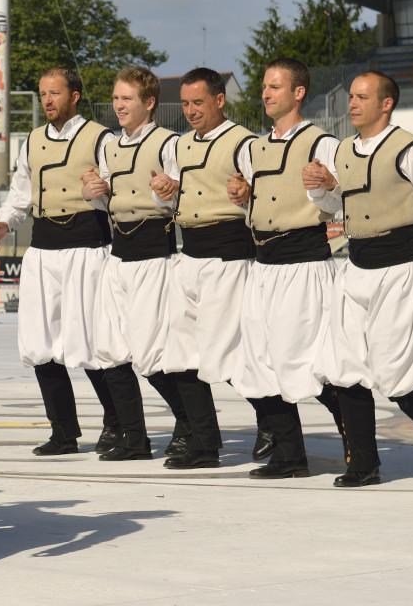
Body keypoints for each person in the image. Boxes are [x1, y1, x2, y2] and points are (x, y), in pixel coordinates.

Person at [306, 72, 413, 486]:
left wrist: (408, 238)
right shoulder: (342, 151)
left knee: (392, 369)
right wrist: (322, 189)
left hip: (400, 270)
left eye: (361, 97)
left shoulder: (410, 149)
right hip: (355, 269)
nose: (352, 103)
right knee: (345, 367)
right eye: (351, 96)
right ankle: (362, 465)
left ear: (385, 103)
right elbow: (340, 206)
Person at [0, 67, 119, 456]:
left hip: (88, 248)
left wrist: (103, 191)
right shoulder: (32, 141)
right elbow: (20, 194)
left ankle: (116, 423)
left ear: (74, 96)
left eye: (54, 93)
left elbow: (119, 190)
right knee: (39, 342)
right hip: (43, 250)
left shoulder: (101, 138)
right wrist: (4, 222)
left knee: (91, 343)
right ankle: (63, 431)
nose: (46, 100)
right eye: (43, 93)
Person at [227, 57, 346, 479]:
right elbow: (257, 206)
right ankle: (290, 456)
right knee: (259, 361)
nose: (265, 94)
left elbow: (342, 204)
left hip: (304, 264)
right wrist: (242, 198)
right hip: (263, 266)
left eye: (275, 87)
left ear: (298, 93)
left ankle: (359, 448)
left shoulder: (322, 143)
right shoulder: (252, 148)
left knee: (309, 363)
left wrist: (329, 186)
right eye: (264, 86)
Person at [81, 66, 190, 460]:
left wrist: (169, 192)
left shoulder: (168, 143)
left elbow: (180, 199)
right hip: (118, 255)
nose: (119, 105)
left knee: (150, 353)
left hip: (155, 255)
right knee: (109, 349)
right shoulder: (109, 146)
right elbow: (105, 197)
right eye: (116, 98)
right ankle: (133, 439)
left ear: (149, 103)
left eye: (127, 99)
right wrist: (92, 192)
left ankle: (189, 425)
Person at [160, 68, 257, 469]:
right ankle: (204, 442)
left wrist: (248, 194)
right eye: (185, 103)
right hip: (189, 254)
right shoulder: (178, 146)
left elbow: (265, 201)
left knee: (226, 355)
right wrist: (166, 193)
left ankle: (276, 428)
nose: (190, 111)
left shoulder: (245, 143)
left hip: (230, 256)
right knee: (180, 352)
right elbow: (173, 198)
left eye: (198, 102)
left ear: (219, 100)